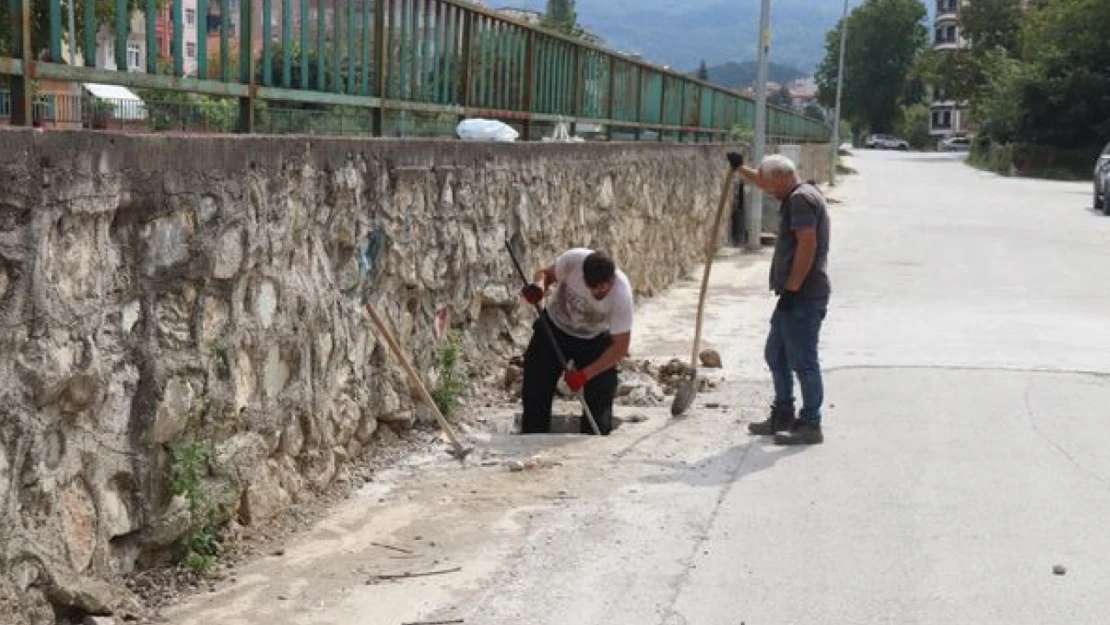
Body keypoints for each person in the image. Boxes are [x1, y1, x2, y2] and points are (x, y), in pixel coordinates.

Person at [728, 152, 831, 445]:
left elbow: (807, 246)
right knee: (776, 353)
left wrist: (793, 289)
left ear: (783, 177)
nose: (767, 191)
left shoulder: (800, 200)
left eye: (770, 185)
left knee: (803, 361)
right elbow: (762, 180)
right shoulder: (798, 193)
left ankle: (810, 423)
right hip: (794, 295)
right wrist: (739, 169)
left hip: (803, 295)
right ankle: (783, 413)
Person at [518, 248, 633, 436]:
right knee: (536, 385)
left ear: (611, 279)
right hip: (554, 329)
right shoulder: (574, 260)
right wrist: (538, 288)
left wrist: (585, 375)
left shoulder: (622, 295)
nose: (596, 292)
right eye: (591, 287)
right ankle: (532, 434)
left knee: (601, 391)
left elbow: (620, 347)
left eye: (602, 288)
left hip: (594, 339)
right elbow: (545, 274)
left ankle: (595, 442)